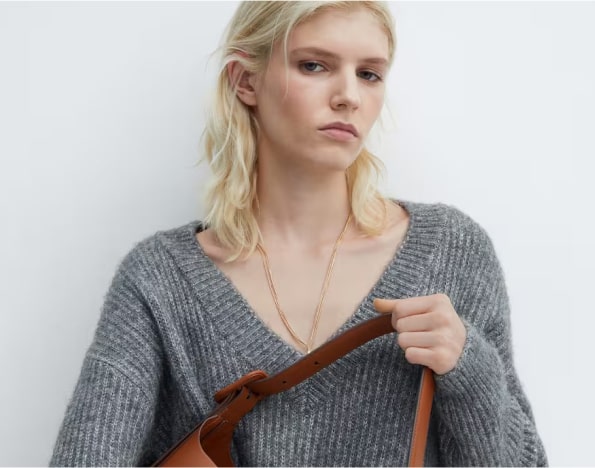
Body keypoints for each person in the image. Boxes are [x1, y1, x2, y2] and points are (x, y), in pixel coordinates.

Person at [50, 1, 547, 466]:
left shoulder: (453, 252)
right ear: (246, 81)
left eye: (369, 74)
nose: (349, 96)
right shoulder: (159, 280)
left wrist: (467, 367)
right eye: (314, 65)